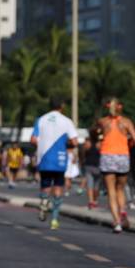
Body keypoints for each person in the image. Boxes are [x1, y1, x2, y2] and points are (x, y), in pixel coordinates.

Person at [31, 97, 78, 231]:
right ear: (61, 106)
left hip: (44, 158)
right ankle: (55, 219)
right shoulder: (67, 121)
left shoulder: (41, 119)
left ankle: (44, 202)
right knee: (58, 187)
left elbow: (33, 139)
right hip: (60, 158)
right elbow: (74, 142)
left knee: (45, 185)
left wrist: (42, 145)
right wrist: (65, 144)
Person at [95, 98, 135, 232]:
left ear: (108, 107)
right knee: (120, 189)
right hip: (122, 156)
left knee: (111, 190)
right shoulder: (126, 122)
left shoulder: (103, 122)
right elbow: (134, 138)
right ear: (120, 107)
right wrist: (128, 144)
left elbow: (95, 133)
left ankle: (117, 222)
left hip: (107, 156)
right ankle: (122, 211)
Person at [82, 131, 102, 209]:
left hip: (89, 164)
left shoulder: (87, 142)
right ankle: (95, 201)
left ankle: (91, 202)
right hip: (98, 165)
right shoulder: (100, 142)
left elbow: (83, 152)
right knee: (96, 185)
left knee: (90, 185)